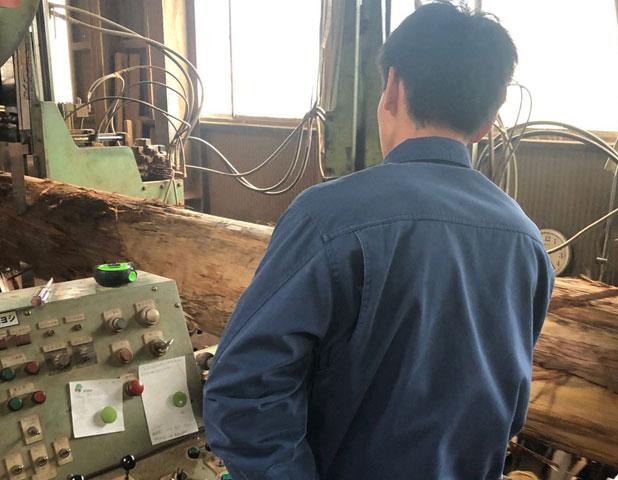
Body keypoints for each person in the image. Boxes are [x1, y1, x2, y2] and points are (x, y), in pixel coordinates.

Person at [203, 2, 555, 479]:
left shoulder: (326, 217)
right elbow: (508, 409)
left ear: (391, 88)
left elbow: (243, 392)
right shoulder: (526, 241)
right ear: (489, 120)